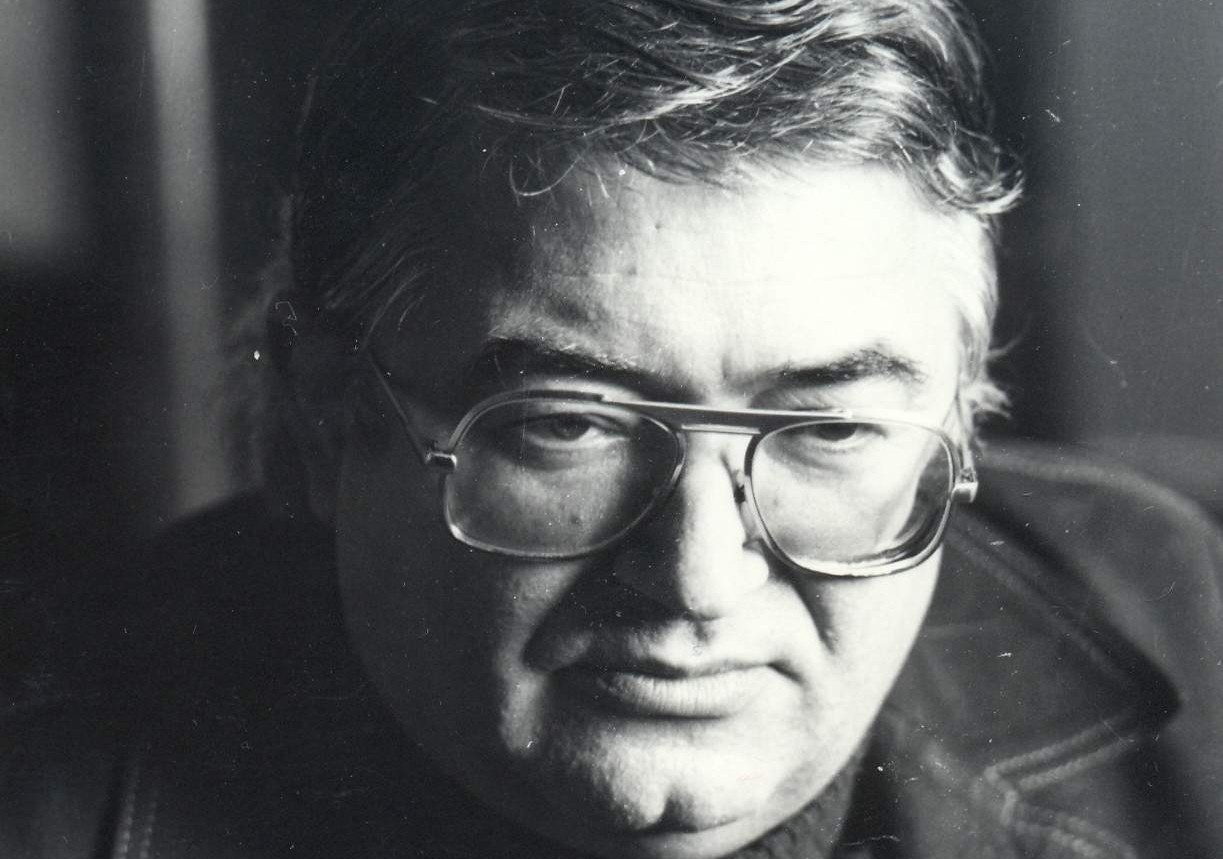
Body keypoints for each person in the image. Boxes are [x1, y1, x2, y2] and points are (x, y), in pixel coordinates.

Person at [4, 1, 1223, 857]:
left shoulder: (1182, 607)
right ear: (326, 414)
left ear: (956, 418)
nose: (697, 579)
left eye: (830, 430)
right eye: (568, 424)